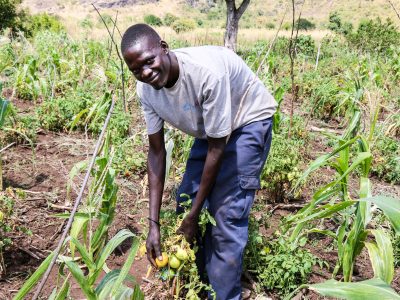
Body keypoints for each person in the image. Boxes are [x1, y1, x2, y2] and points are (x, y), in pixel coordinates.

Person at [121, 23, 277, 300]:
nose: (145, 73)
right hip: (211, 128)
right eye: (136, 70)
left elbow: (219, 147)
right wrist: (153, 224)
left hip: (247, 120)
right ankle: (204, 286)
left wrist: (195, 216)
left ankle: (224, 295)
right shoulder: (146, 91)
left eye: (149, 61)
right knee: (186, 200)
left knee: (225, 216)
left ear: (164, 48)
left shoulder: (206, 74)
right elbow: (156, 153)